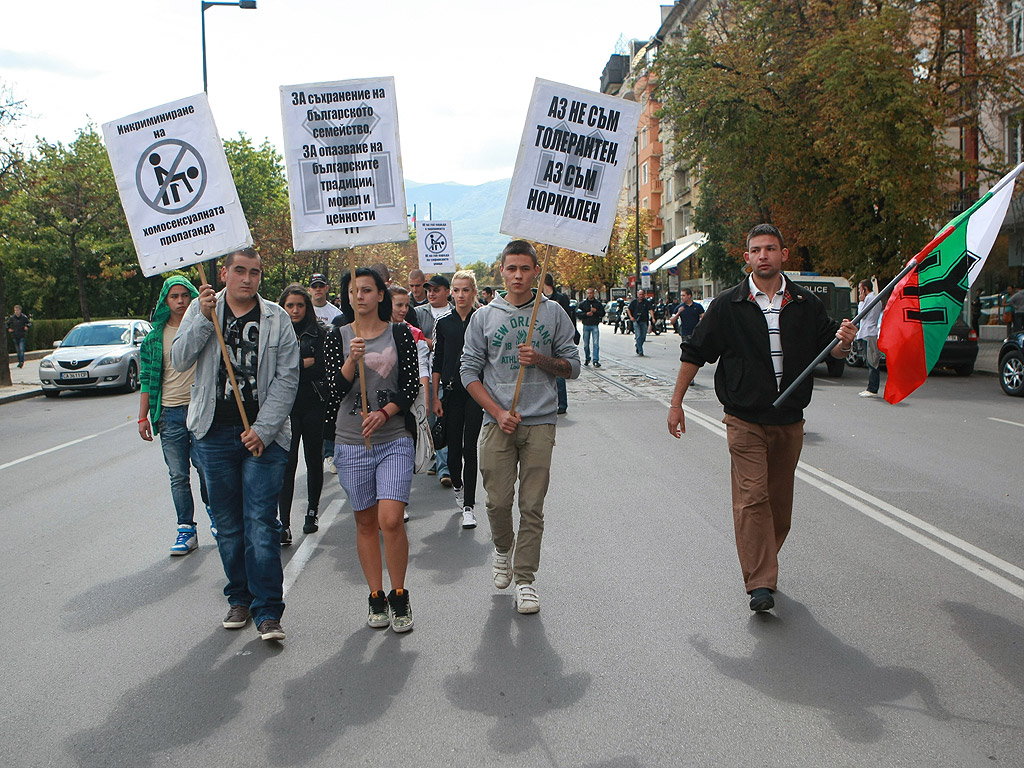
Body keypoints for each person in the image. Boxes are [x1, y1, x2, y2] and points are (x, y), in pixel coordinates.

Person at [667, 224, 856, 613]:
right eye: (756, 249)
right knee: (753, 498)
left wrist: (844, 343)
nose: (764, 255)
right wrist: (676, 403)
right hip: (744, 418)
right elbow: (695, 352)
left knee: (778, 505)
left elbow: (831, 352)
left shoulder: (805, 304)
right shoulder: (728, 305)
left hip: (788, 419)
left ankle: (763, 561)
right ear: (747, 257)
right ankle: (760, 583)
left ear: (783, 255)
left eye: (771, 248)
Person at [171, 247, 299, 642]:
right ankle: (238, 597)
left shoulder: (277, 319)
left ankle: (268, 611)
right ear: (225, 273)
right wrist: (204, 321)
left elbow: (287, 378)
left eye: (255, 272)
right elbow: (179, 358)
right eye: (240, 271)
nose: (247, 278)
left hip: (264, 436)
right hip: (213, 434)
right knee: (227, 525)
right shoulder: (201, 309)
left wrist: (262, 429)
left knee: (261, 523)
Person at [461, 240, 581, 614]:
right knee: (497, 501)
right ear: (501, 271)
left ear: (535, 272)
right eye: (511, 268)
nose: (517, 275)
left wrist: (540, 359)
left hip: (540, 421)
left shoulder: (553, 312)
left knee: (532, 506)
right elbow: (468, 372)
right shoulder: (484, 316)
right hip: (499, 422)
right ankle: (502, 548)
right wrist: (497, 412)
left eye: (525, 269)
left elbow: (573, 367)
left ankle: (526, 579)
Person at [324, 267, 419, 632]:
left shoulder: (399, 333)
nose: (359, 296)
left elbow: (410, 385)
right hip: (351, 442)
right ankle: (376, 596)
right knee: (365, 522)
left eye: (366, 290)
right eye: (353, 290)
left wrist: (384, 412)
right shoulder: (337, 337)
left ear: (381, 295)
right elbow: (332, 391)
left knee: (390, 519)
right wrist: (351, 360)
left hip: (393, 438)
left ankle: (399, 594)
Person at [137, 276, 214, 555]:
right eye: (174, 297)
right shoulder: (154, 338)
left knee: (207, 469)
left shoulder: (204, 326)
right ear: (165, 301)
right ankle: (186, 529)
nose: (180, 301)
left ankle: (217, 517)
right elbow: (147, 378)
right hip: (169, 414)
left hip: (202, 410)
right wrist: (143, 416)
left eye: (185, 295)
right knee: (178, 475)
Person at [432, 270, 484, 529]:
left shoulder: (482, 319)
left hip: (475, 392)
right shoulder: (443, 323)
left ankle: (469, 506)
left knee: (469, 448)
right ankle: (458, 487)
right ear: (451, 292)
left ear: (474, 292)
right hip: (451, 393)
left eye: (466, 290)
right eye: (457, 290)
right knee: (452, 451)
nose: (461, 294)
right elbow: (437, 361)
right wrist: (435, 397)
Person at [277, 284, 327, 545]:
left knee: (313, 459)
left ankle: (312, 512)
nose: (295, 310)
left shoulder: (319, 334)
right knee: (286, 464)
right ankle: (283, 523)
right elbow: (275, 368)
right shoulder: (274, 333)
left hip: (314, 403)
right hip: (285, 407)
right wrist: (299, 361)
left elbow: (322, 366)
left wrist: (297, 366)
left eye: (300, 305)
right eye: (290, 305)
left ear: (307, 308)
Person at [390, 285, 431, 523]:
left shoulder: (414, 334)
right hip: (380, 403)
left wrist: (422, 401)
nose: (404, 310)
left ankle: (400, 501)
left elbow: (422, 367)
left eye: (407, 305)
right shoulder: (375, 332)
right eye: (399, 305)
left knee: (403, 454)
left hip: (406, 403)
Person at [416, 275, 453, 486]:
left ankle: (444, 468)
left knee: (442, 419)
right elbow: (412, 337)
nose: (431, 293)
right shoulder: (419, 313)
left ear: (447, 292)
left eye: (436, 289)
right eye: (429, 290)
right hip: (423, 374)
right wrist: (432, 343)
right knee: (428, 421)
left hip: (444, 375)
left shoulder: (453, 313)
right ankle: (434, 456)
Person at [310, 273, 342, 477]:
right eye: (314, 286)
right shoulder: (304, 309)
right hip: (308, 373)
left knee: (330, 411)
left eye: (321, 286)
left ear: (327, 288)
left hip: (328, 370)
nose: (318, 290)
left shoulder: (335, 313)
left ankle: (330, 453)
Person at [542, 273, 577, 414]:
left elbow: (569, 318)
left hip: (558, 338)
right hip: (543, 338)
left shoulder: (561, 298)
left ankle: (562, 404)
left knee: (559, 371)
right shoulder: (539, 298)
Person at [856, 280, 883, 398]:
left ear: (865, 289)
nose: (858, 292)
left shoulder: (869, 298)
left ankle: (872, 388)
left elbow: (862, 314)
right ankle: (871, 387)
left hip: (869, 332)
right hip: (868, 332)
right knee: (870, 360)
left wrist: (861, 302)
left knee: (872, 361)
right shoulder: (876, 298)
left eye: (859, 289)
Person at [576, 288, 605, 367]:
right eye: (588, 293)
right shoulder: (583, 304)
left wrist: (596, 311)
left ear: (593, 294)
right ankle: (587, 358)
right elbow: (578, 314)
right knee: (586, 344)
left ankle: (595, 360)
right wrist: (586, 314)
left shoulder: (598, 303)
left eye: (591, 293)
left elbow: (602, 313)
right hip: (586, 325)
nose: (589, 295)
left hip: (594, 325)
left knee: (595, 343)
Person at [628, 289, 655, 355]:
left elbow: (650, 310)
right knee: (638, 335)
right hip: (636, 321)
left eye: (642, 294)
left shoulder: (646, 302)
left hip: (644, 321)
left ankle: (638, 345)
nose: (641, 296)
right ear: (637, 295)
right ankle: (640, 351)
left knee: (643, 336)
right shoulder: (634, 302)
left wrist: (653, 318)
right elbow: (629, 309)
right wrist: (631, 317)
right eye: (640, 294)